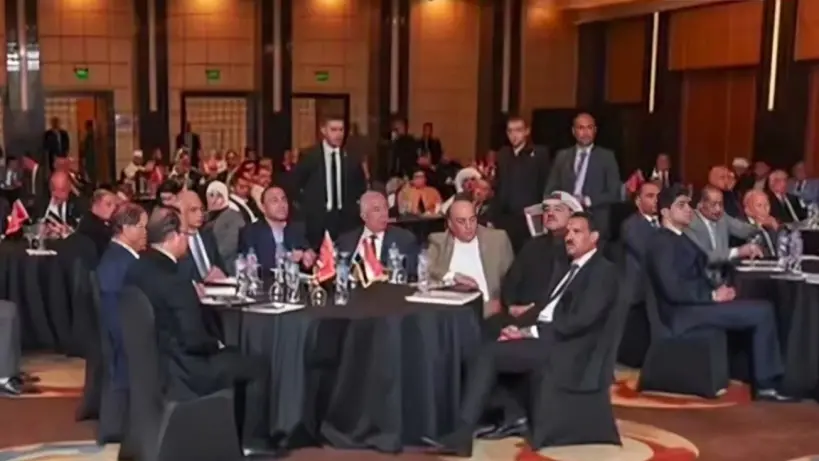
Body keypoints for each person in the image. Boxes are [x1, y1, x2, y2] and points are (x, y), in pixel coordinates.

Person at [421, 212, 619, 457]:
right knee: (484, 332)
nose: (569, 237)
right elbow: (544, 307)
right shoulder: (568, 266)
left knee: (490, 354)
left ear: (594, 237)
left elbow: (579, 321)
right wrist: (517, 326)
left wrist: (529, 331)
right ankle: (507, 413)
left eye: (577, 232)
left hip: (566, 348)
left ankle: (461, 435)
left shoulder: (602, 272)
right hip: (546, 335)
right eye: (568, 231)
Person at [123, 208, 268, 451]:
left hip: (153, 364)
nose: (188, 241)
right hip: (185, 370)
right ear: (173, 237)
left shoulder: (136, 268)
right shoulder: (176, 281)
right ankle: (250, 444)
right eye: (186, 234)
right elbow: (194, 340)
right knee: (256, 366)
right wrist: (218, 344)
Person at [645, 186, 791, 402]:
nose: (688, 210)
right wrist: (712, 296)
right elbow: (673, 288)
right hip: (682, 314)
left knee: (756, 304)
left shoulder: (680, 238)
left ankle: (761, 378)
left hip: (695, 306)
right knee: (763, 311)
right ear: (665, 212)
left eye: (688, 204)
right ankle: (766, 385)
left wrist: (718, 291)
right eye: (681, 205)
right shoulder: (662, 242)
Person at [427, 194, 514, 317]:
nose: (468, 226)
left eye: (472, 220)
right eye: (461, 221)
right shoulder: (439, 242)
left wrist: (503, 303)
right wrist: (454, 277)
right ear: (450, 224)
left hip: (488, 310)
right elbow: (428, 269)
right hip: (450, 313)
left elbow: (512, 280)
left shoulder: (497, 239)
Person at [293, 115, 368, 246]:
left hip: (346, 223)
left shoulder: (352, 157)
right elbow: (297, 185)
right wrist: (307, 209)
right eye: (333, 130)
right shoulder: (309, 156)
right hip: (317, 222)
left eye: (341, 130)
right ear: (323, 130)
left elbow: (360, 187)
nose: (338, 134)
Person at [97, 203, 148, 395]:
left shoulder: (118, 257)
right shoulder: (123, 265)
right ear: (126, 229)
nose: (146, 233)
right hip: (128, 349)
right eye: (142, 227)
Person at [545, 113, 621, 238]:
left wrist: (587, 201)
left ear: (595, 130)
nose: (585, 132)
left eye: (589, 128)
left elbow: (614, 192)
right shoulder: (562, 156)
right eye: (581, 128)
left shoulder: (607, 157)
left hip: (595, 221)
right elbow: (550, 189)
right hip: (565, 221)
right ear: (573, 131)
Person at [493, 116, 551, 252]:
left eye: (518, 130)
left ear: (527, 131)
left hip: (528, 217)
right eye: (510, 131)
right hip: (505, 217)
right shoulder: (503, 154)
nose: (514, 135)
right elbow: (499, 185)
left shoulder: (539, 154)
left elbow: (545, 184)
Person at [336, 191, 419, 276]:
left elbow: (411, 275)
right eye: (377, 210)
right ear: (364, 216)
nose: (384, 214)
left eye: (385, 208)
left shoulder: (405, 239)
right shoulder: (345, 241)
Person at [238, 186, 313, 273]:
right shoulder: (250, 232)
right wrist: (288, 259)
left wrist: (308, 258)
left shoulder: (297, 229)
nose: (282, 205)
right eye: (275, 201)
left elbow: (308, 256)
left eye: (284, 200)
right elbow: (250, 265)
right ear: (263, 208)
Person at [177, 190, 227, 282]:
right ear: (181, 212)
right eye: (193, 210)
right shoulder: (176, 241)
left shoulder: (207, 236)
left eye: (201, 209)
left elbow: (221, 268)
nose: (200, 214)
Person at [203, 181, 246, 272]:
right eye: (211, 195)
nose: (215, 199)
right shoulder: (205, 218)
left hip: (227, 269)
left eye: (219, 195)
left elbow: (227, 249)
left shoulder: (232, 217)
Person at [75, 189, 117, 259]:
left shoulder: (105, 222)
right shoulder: (90, 225)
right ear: (96, 203)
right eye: (108, 204)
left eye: (115, 205)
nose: (113, 208)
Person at [742, 189, 779, 257]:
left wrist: (777, 230)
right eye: (759, 205)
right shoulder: (740, 224)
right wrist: (758, 225)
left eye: (767, 205)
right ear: (747, 210)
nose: (764, 209)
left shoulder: (772, 222)